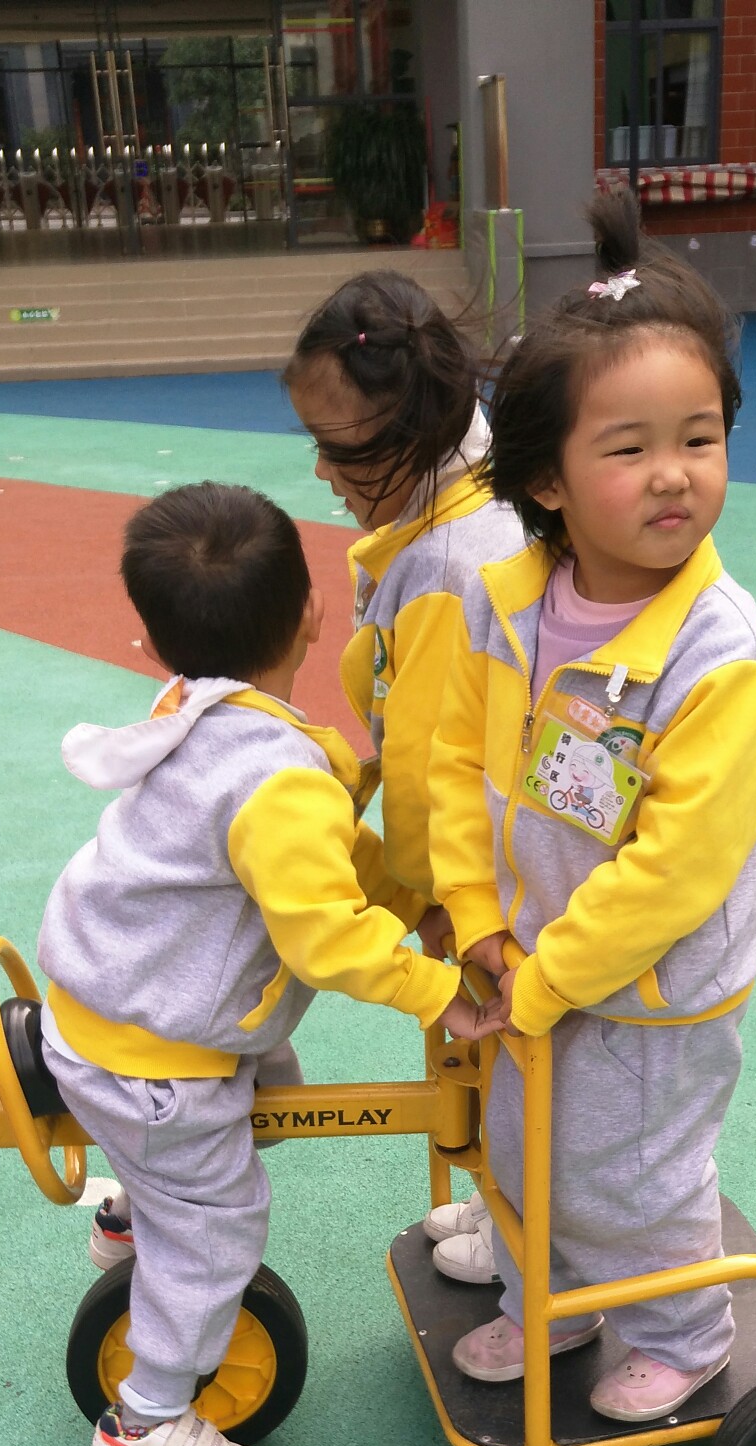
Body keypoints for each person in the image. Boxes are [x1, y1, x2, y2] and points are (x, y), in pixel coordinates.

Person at [38, 482, 484, 1446]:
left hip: (109, 1008)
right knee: (220, 1224)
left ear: (157, 644)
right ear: (314, 613)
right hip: (154, 1059)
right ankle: (148, 1424)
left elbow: (334, 856)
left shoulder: (202, 715)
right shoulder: (274, 779)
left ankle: (138, 1211)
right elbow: (325, 936)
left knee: (262, 1096)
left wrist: (415, 901)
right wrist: (437, 990)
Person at [427, 190, 756, 1424]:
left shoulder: (720, 658)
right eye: (629, 449)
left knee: (628, 1168)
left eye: (700, 438)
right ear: (546, 477)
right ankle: (558, 1300)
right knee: (525, 1141)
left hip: (652, 985)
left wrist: (545, 980)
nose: (674, 475)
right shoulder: (509, 601)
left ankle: (685, 1333)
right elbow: (461, 770)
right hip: (536, 950)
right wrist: (482, 918)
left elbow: (675, 873)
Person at [285, 269, 523, 1288]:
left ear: (413, 434)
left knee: (512, 1049)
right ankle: (506, 1203)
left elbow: (431, 764)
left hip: (490, 877)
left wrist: (429, 901)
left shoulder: (449, 566)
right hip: (493, 860)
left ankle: (532, 1249)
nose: (324, 472)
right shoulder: (447, 518)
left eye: (340, 451)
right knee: (494, 1053)